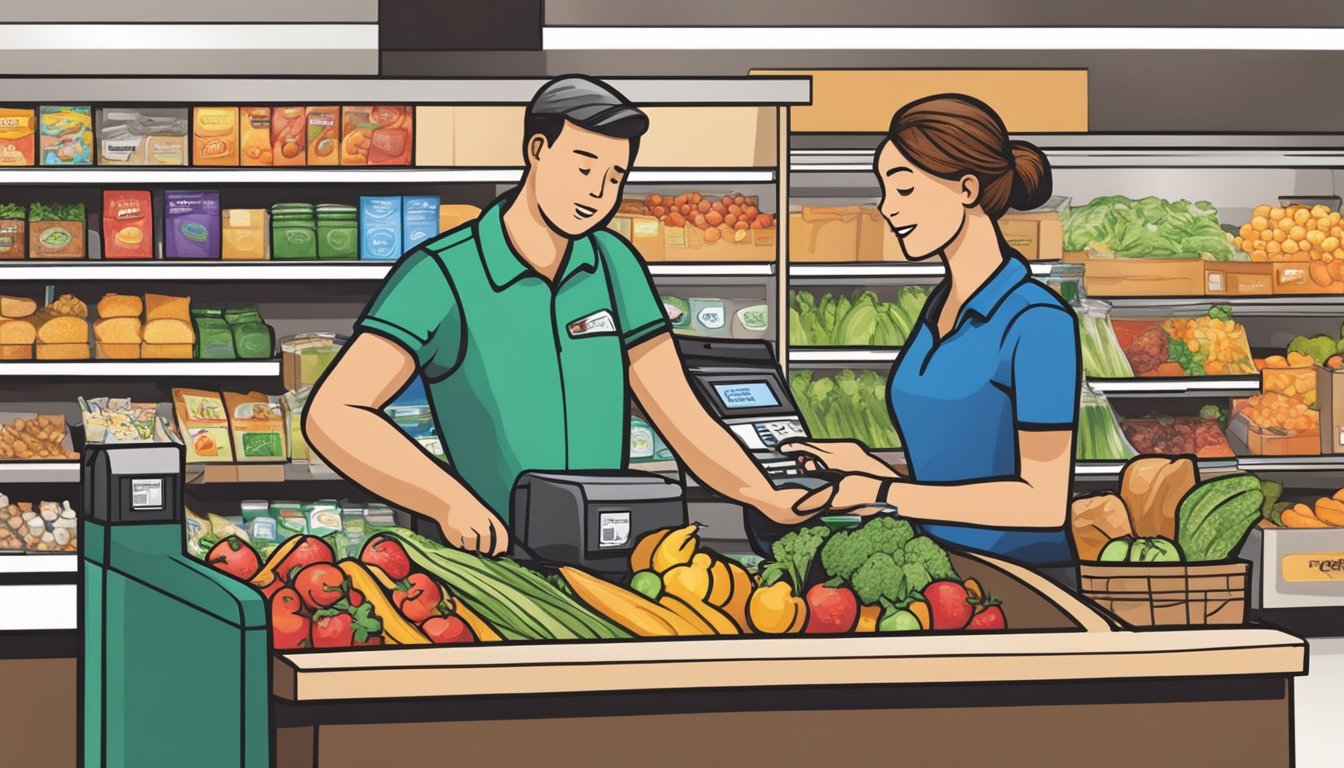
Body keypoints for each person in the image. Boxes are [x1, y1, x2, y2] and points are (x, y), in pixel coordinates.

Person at [305, 75, 806, 556]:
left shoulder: (615, 263)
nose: (597, 192)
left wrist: (764, 496)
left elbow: (680, 413)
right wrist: (448, 500)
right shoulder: (442, 273)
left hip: (610, 556)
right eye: (584, 167)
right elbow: (335, 414)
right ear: (538, 151)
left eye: (615, 177)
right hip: (498, 569)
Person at [782, 94, 1081, 574]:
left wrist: (882, 492)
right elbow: (945, 482)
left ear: (966, 188)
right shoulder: (936, 310)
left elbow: (1042, 503)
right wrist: (865, 467)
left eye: (903, 190)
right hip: (935, 572)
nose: (886, 208)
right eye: (883, 190)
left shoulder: (1039, 322)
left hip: (1023, 583)